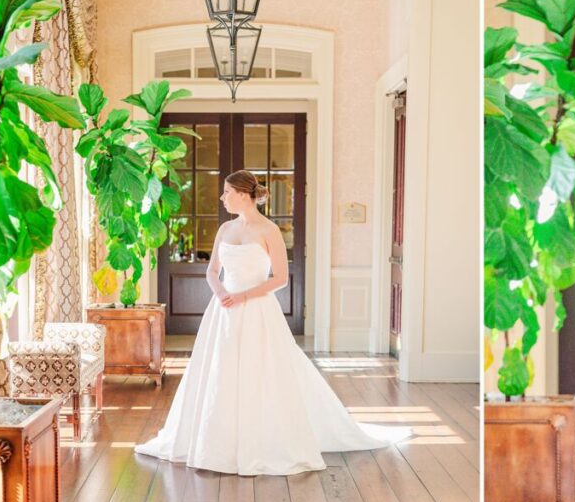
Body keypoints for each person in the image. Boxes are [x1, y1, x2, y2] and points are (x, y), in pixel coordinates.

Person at [136, 170, 404, 476]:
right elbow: (212, 271)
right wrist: (223, 292)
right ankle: (215, 441)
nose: (223, 198)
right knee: (219, 371)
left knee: (260, 370)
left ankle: (262, 439)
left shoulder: (269, 231)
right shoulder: (225, 229)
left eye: (226, 192)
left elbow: (280, 278)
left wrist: (244, 296)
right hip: (223, 311)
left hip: (256, 310)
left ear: (242, 194)